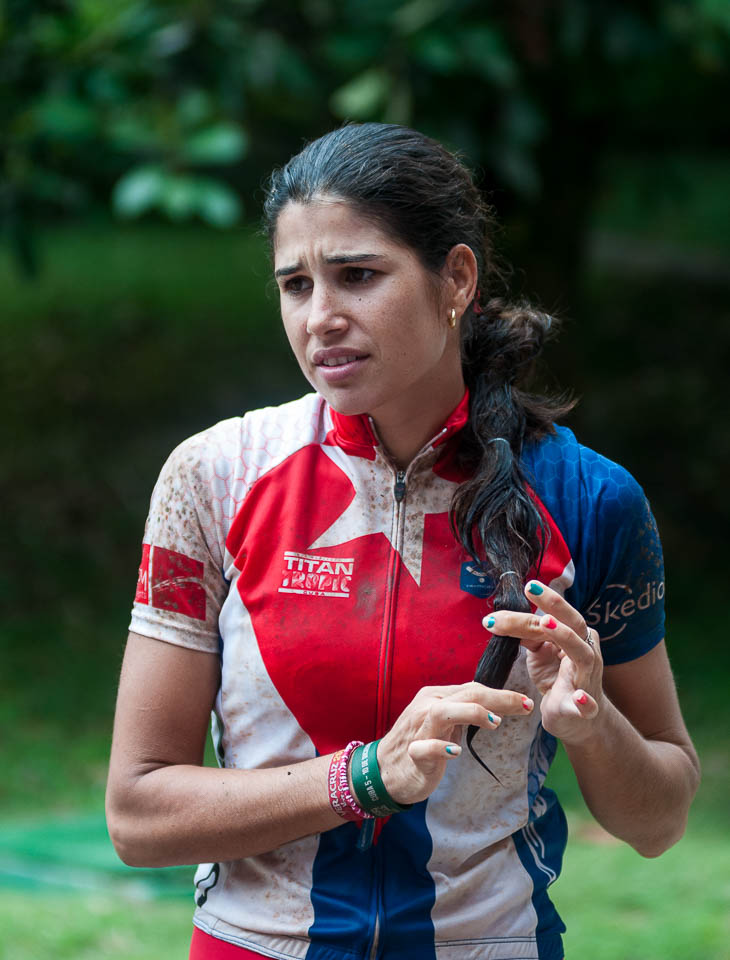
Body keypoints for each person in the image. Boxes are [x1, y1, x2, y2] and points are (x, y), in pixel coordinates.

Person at [106, 122, 699, 960]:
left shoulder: (591, 499)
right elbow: (136, 813)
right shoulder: (213, 476)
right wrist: (366, 778)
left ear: (455, 277)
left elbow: (661, 819)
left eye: (357, 276)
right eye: (295, 285)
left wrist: (594, 724)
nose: (321, 318)